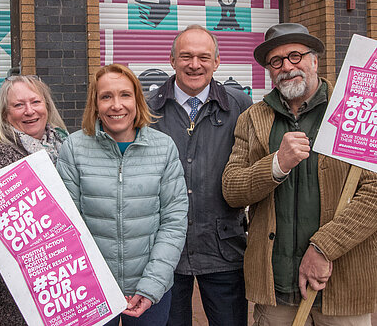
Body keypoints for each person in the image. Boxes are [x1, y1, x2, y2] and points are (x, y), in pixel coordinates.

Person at [222, 23, 377, 325]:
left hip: (340, 286)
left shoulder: (354, 109)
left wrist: (324, 248)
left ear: (315, 60)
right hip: (276, 288)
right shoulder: (253, 118)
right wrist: (276, 164)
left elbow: (373, 194)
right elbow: (232, 189)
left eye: (295, 56)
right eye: (276, 61)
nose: (286, 67)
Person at [56, 64, 188, 325]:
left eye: (125, 95)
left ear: (138, 100)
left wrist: (151, 286)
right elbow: (66, 224)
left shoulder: (163, 148)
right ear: (95, 104)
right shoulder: (74, 148)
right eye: (106, 96)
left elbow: (174, 222)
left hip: (149, 289)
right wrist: (90, 284)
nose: (116, 105)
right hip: (90, 291)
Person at [146, 24, 252, 325]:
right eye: (186, 56)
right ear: (172, 60)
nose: (195, 64)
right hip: (166, 252)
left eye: (204, 57)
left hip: (224, 248)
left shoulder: (240, 106)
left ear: (216, 62)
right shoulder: (148, 108)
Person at [0, 75, 68, 325]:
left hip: (64, 276)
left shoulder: (65, 146)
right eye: (18, 105)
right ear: (5, 114)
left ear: (47, 106)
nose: (29, 111)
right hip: (20, 286)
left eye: (35, 102)